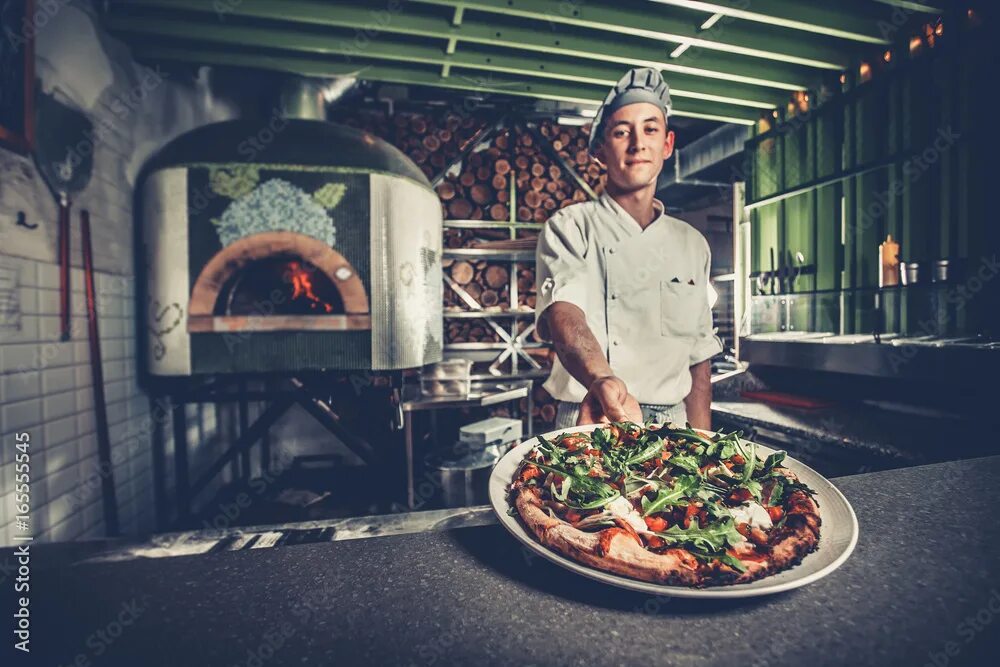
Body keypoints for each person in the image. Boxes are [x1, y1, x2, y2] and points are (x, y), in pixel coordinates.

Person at [535, 67, 723, 430]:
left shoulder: (692, 244)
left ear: (667, 144)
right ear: (600, 151)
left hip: (673, 422)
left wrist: (703, 443)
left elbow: (699, 357)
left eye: (650, 129)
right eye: (622, 132)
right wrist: (602, 379)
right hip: (592, 412)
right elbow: (564, 313)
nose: (638, 144)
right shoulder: (570, 226)